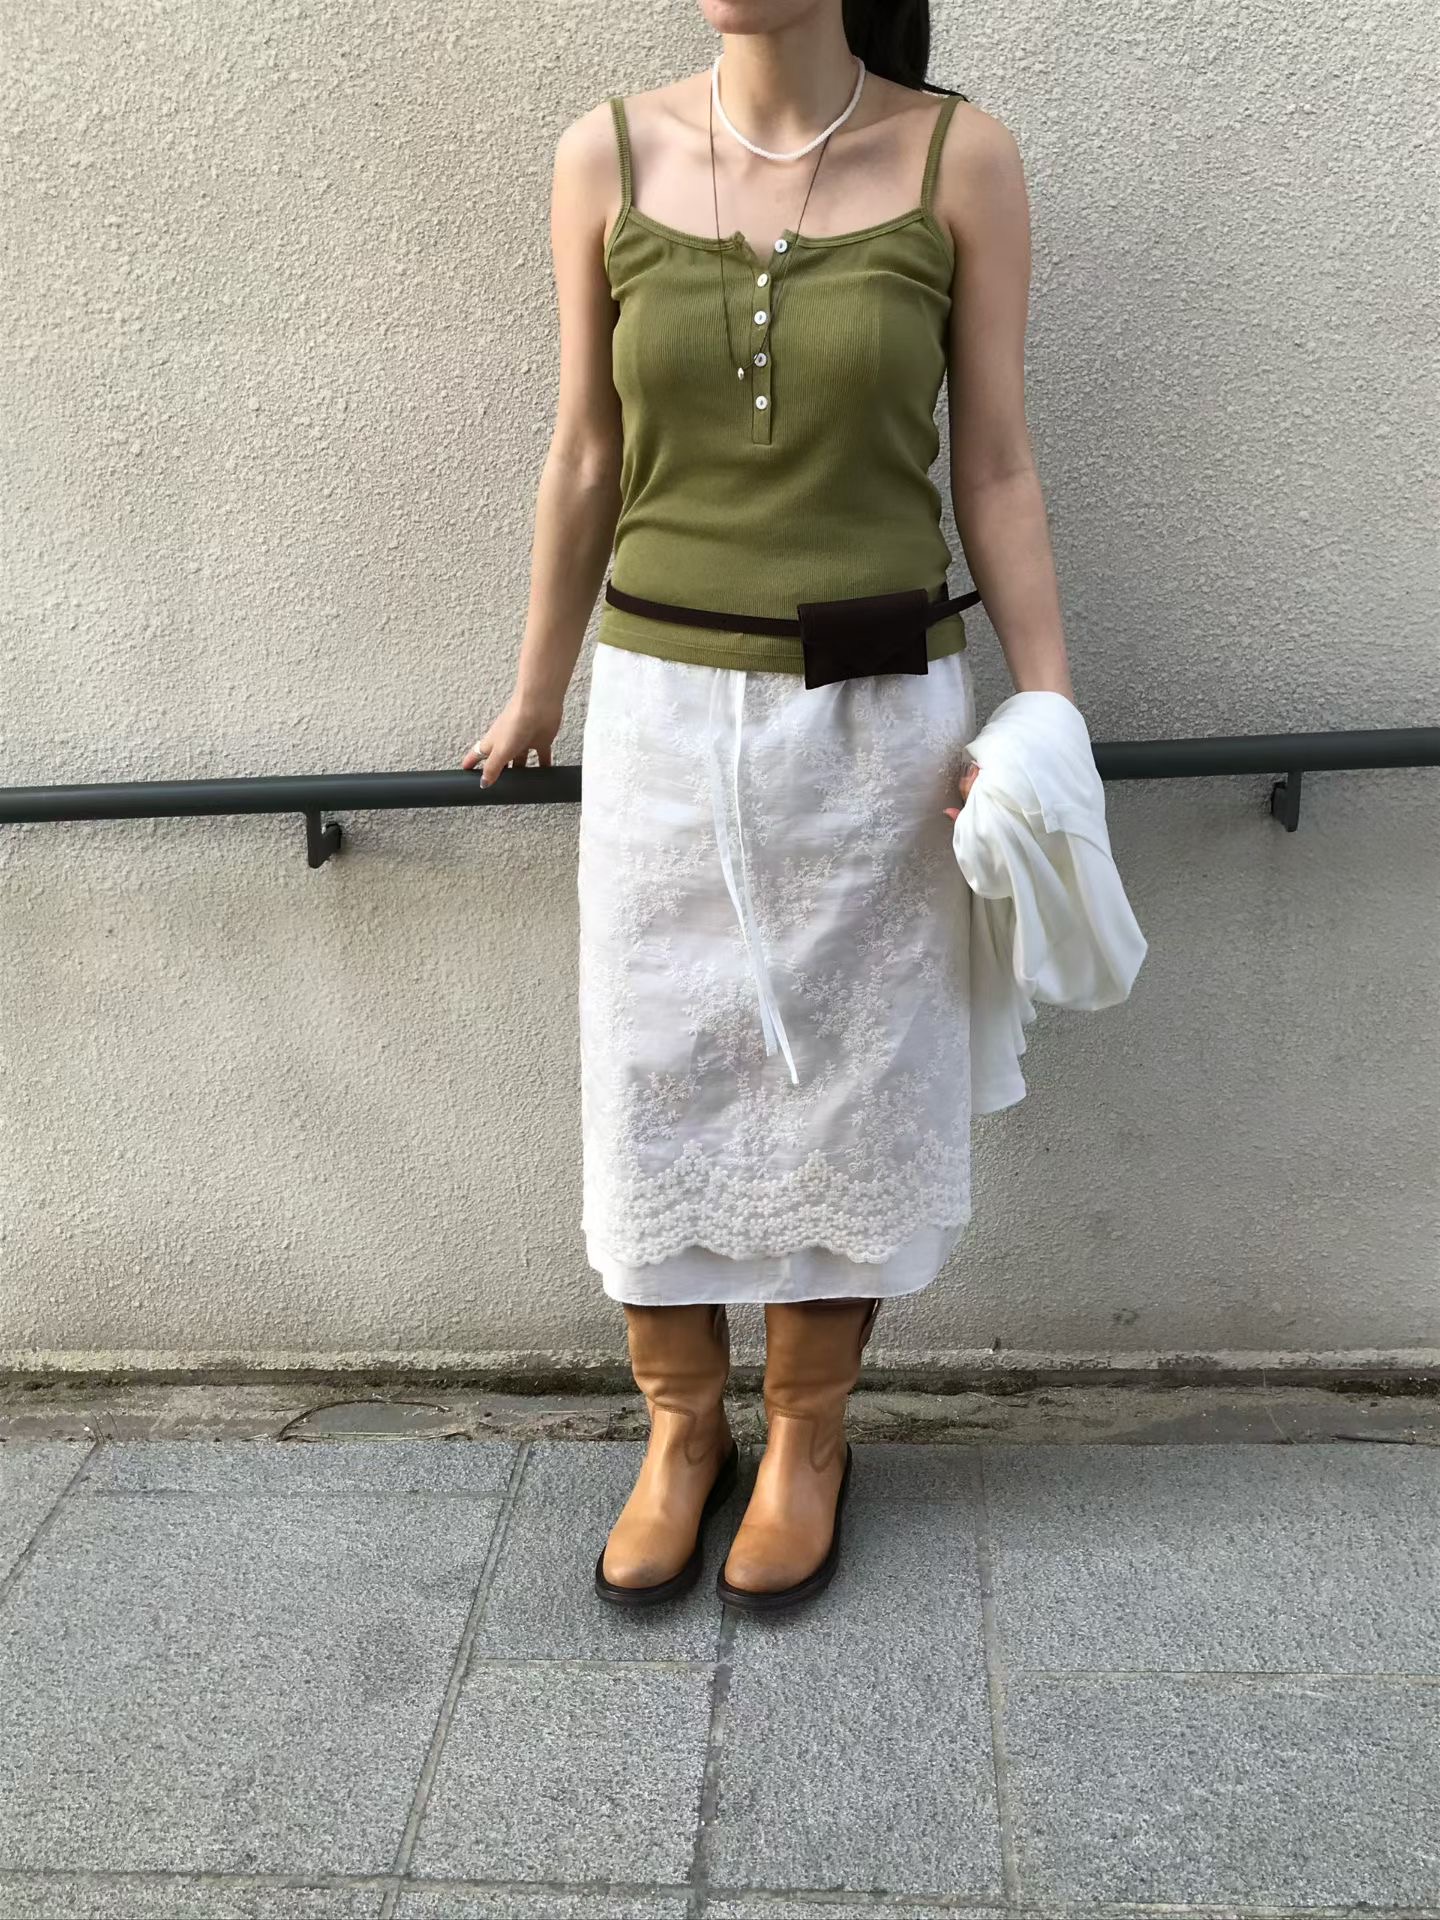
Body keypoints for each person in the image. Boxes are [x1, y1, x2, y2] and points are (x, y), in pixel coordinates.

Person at [461, 2, 1078, 1611]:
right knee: (655, 1068)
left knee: (852, 1080)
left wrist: (1048, 704)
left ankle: (807, 1435)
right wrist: (537, 687)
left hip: (880, 727)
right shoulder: (604, 154)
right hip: (660, 714)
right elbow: (585, 451)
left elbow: (995, 466)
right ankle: (680, 1430)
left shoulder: (961, 159)